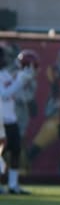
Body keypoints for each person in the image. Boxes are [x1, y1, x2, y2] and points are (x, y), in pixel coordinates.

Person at [0, 49, 34, 194]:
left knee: (15, 150)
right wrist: (20, 80)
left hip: (10, 117)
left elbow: (13, 90)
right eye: (2, 57)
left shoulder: (5, 73)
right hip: (0, 119)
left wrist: (22, 78)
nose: (5, 59)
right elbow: (4, 94)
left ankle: (13, 185)